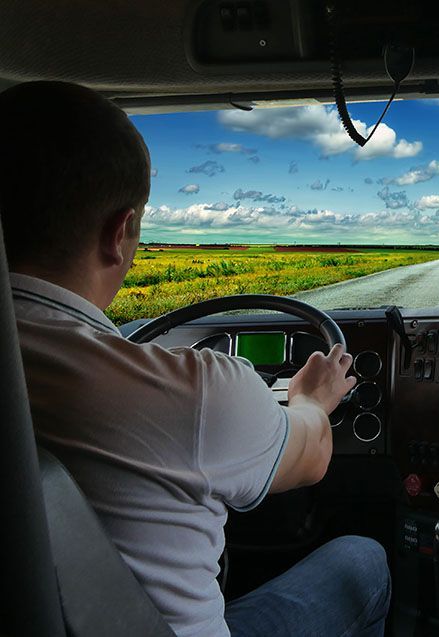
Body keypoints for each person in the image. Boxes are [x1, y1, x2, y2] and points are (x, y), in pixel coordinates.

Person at [0, 81, 390, 637]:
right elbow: (313, 456)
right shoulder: (200, 388)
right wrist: (310, 398)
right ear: (120, 232)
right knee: (363, 559)